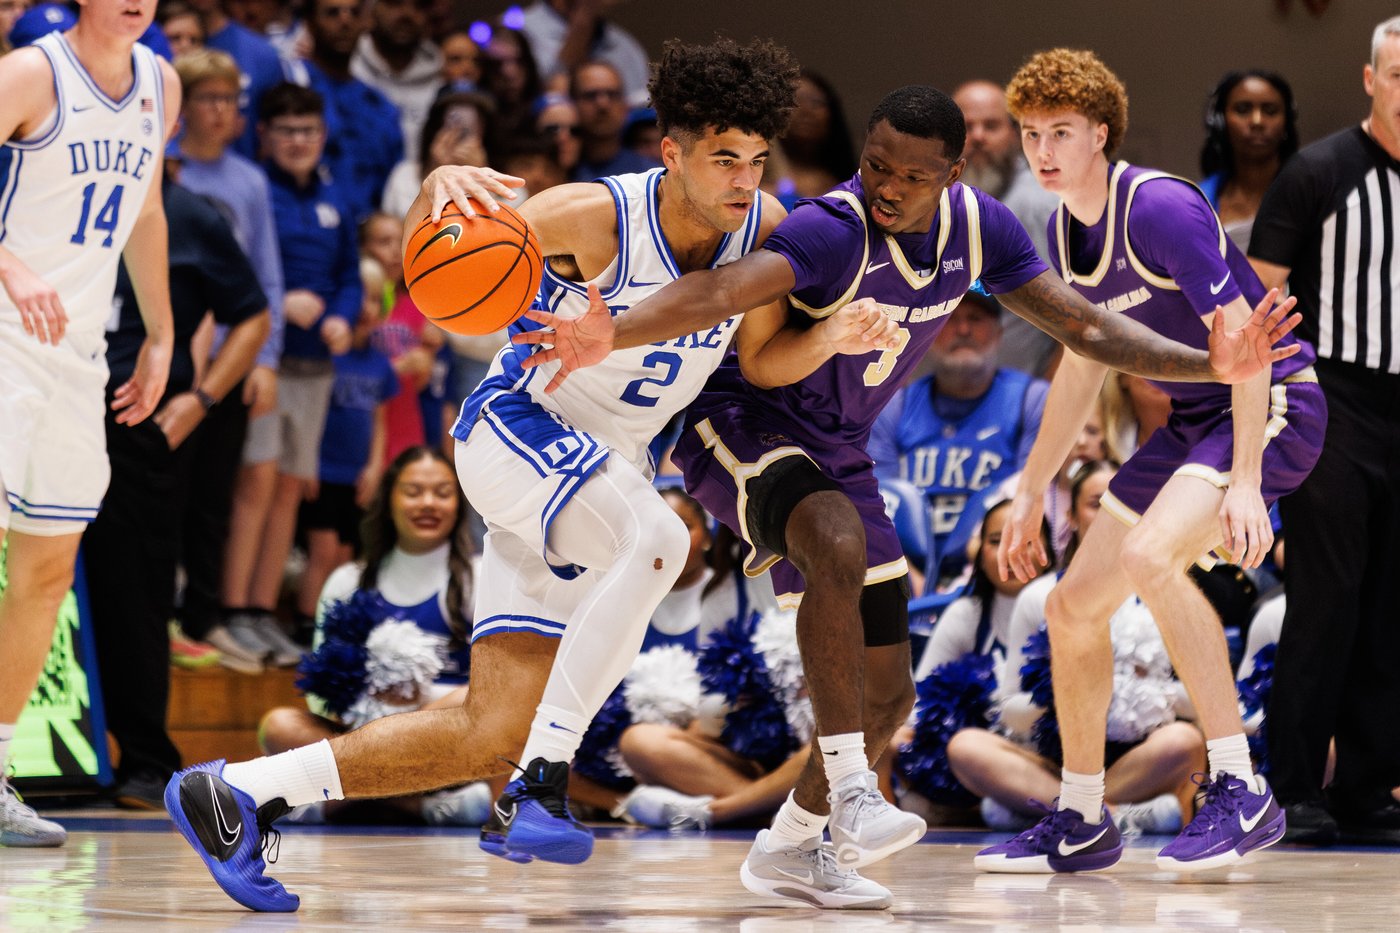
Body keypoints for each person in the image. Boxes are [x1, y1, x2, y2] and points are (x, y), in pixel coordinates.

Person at [514, 83, 1301, 902]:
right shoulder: (831, 228)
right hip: (739, 419)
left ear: (955, 173)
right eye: (875, 164)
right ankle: (857, 788)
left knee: (890, 695)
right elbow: (721, 293)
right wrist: (617, 326)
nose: (886, 185)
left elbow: (1087, 328)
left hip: (838, 447)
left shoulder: (980, 228)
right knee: (834, 539)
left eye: (911, 176)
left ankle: (789, 846)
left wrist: (1216, 365)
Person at [165, 38, 894, 912]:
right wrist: (441, 186)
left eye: (754, 159)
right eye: (722, 157)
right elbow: (439, 251)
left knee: (487, 730)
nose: (743, 177)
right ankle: (543, 782)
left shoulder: (766, 229)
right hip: (521, 428)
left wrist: (832, 339)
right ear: (672, 151)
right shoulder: (594, 213)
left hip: (599, 478)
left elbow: (765, 359)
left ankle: (238, 790)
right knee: (661, 540)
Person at [970, 47, 1324, 874]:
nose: (1043, 150)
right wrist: (1030, 493)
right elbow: (1085, 362)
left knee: (1149, 554)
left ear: (1101, 133)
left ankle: (1241, 789)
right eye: (1030, 135)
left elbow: (1248, 349)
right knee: (1071, 607)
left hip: (1274, 401)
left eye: (1061, 132)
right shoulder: (1062, 227)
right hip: (1197, 418)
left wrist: (1244, 481)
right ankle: (1083, 816)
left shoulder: (1161, 209)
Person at [0, 0, 180, 846]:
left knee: (45, 570)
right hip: (2, 334)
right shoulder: (31, 70)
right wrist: (10, 265)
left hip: (78, 354)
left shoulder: (160, 85)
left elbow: (144, 212)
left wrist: (160, 334)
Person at [1247, 15, 1400, 846]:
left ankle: (1370, 785)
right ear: (1372, 79)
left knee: (1391, 601)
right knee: (1326, 597)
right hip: (1332, 399)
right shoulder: (1320, 170)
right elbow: (1258, 298)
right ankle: (1295, 784)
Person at [85, 152, 270, 808]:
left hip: (137, 425)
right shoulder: (60, 194)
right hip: (47, 410)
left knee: (134, 593)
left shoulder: (191, 215)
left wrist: (203, 398)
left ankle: (143, 758)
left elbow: (252, 314)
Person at [948, 462, 1201, 839]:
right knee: (966, 747)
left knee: (1186, 742)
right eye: (1098, 503)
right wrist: (1062, 694)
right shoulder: (1039, 596)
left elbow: (1199, 705)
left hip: (1137, 757)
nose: (1113, 513)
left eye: (1127, 501)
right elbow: (1008, 707)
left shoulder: (1167, 592)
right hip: (1054, 760)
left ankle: (1060, 811)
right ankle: (1114, 815)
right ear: (1071, 515)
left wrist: (1139, 691)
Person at [264, 446, 489, 827]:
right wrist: (365, 705)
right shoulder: (348, 580)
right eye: (414, 491)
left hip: (442, 741)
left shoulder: (479, 578)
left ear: (459, 503)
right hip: (362, 734)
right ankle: (416, 807)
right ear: (389, 501)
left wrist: (416, 703)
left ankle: (340, 802)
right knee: (279, 725)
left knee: (471, 697)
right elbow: (318, 693)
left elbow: (492, 691)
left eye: (443, 492)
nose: (428, 503)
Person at [235, 81, 360, 664]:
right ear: (263, 134)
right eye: (286, 130)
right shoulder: (258, 190)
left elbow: (351, 276)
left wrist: (340, 315)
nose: (299, 141)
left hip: (315, 367)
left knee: (289, 488)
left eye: (308, 130)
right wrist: (277, 303)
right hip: (266, 359)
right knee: (254, 484)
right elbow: (244, 262)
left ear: (323, 135)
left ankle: (262, 612)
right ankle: (234, 609)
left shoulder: (335, 196)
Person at [868, 291, 1048, 588]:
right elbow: (876, 506)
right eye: (951, 318)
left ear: (998, 332)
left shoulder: (1032, 399)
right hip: (903, 571)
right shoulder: (892, 407)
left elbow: (1032, 498)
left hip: (994, 576)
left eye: (975, 319)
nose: (963, 330)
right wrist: (907, 580)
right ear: (928, 332)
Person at [952, 79, 1061, 376]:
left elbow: (1078, 311)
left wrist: (1045, 395)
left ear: (1016, 133)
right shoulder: (927, 201)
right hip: (937, 395)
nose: (977, 136)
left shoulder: (1043, 203)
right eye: (966, 126)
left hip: (1024, 393)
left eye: (991, 125)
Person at [288, 0, 405, 224]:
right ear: (310, 23)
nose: (345, 21)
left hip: (368, 241)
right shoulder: (291, 86)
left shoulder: (381, 107)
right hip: (304, 231)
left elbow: (393, 187)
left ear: (366, 21)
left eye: (354, 12)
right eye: (332, 13)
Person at [1198, 70, 1298, 252]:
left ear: (1287, 122)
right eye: (1243, 109)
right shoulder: (1198, 200)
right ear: (1220, 122)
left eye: (1270, 111)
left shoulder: (1311, 195)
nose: (1257, 121)